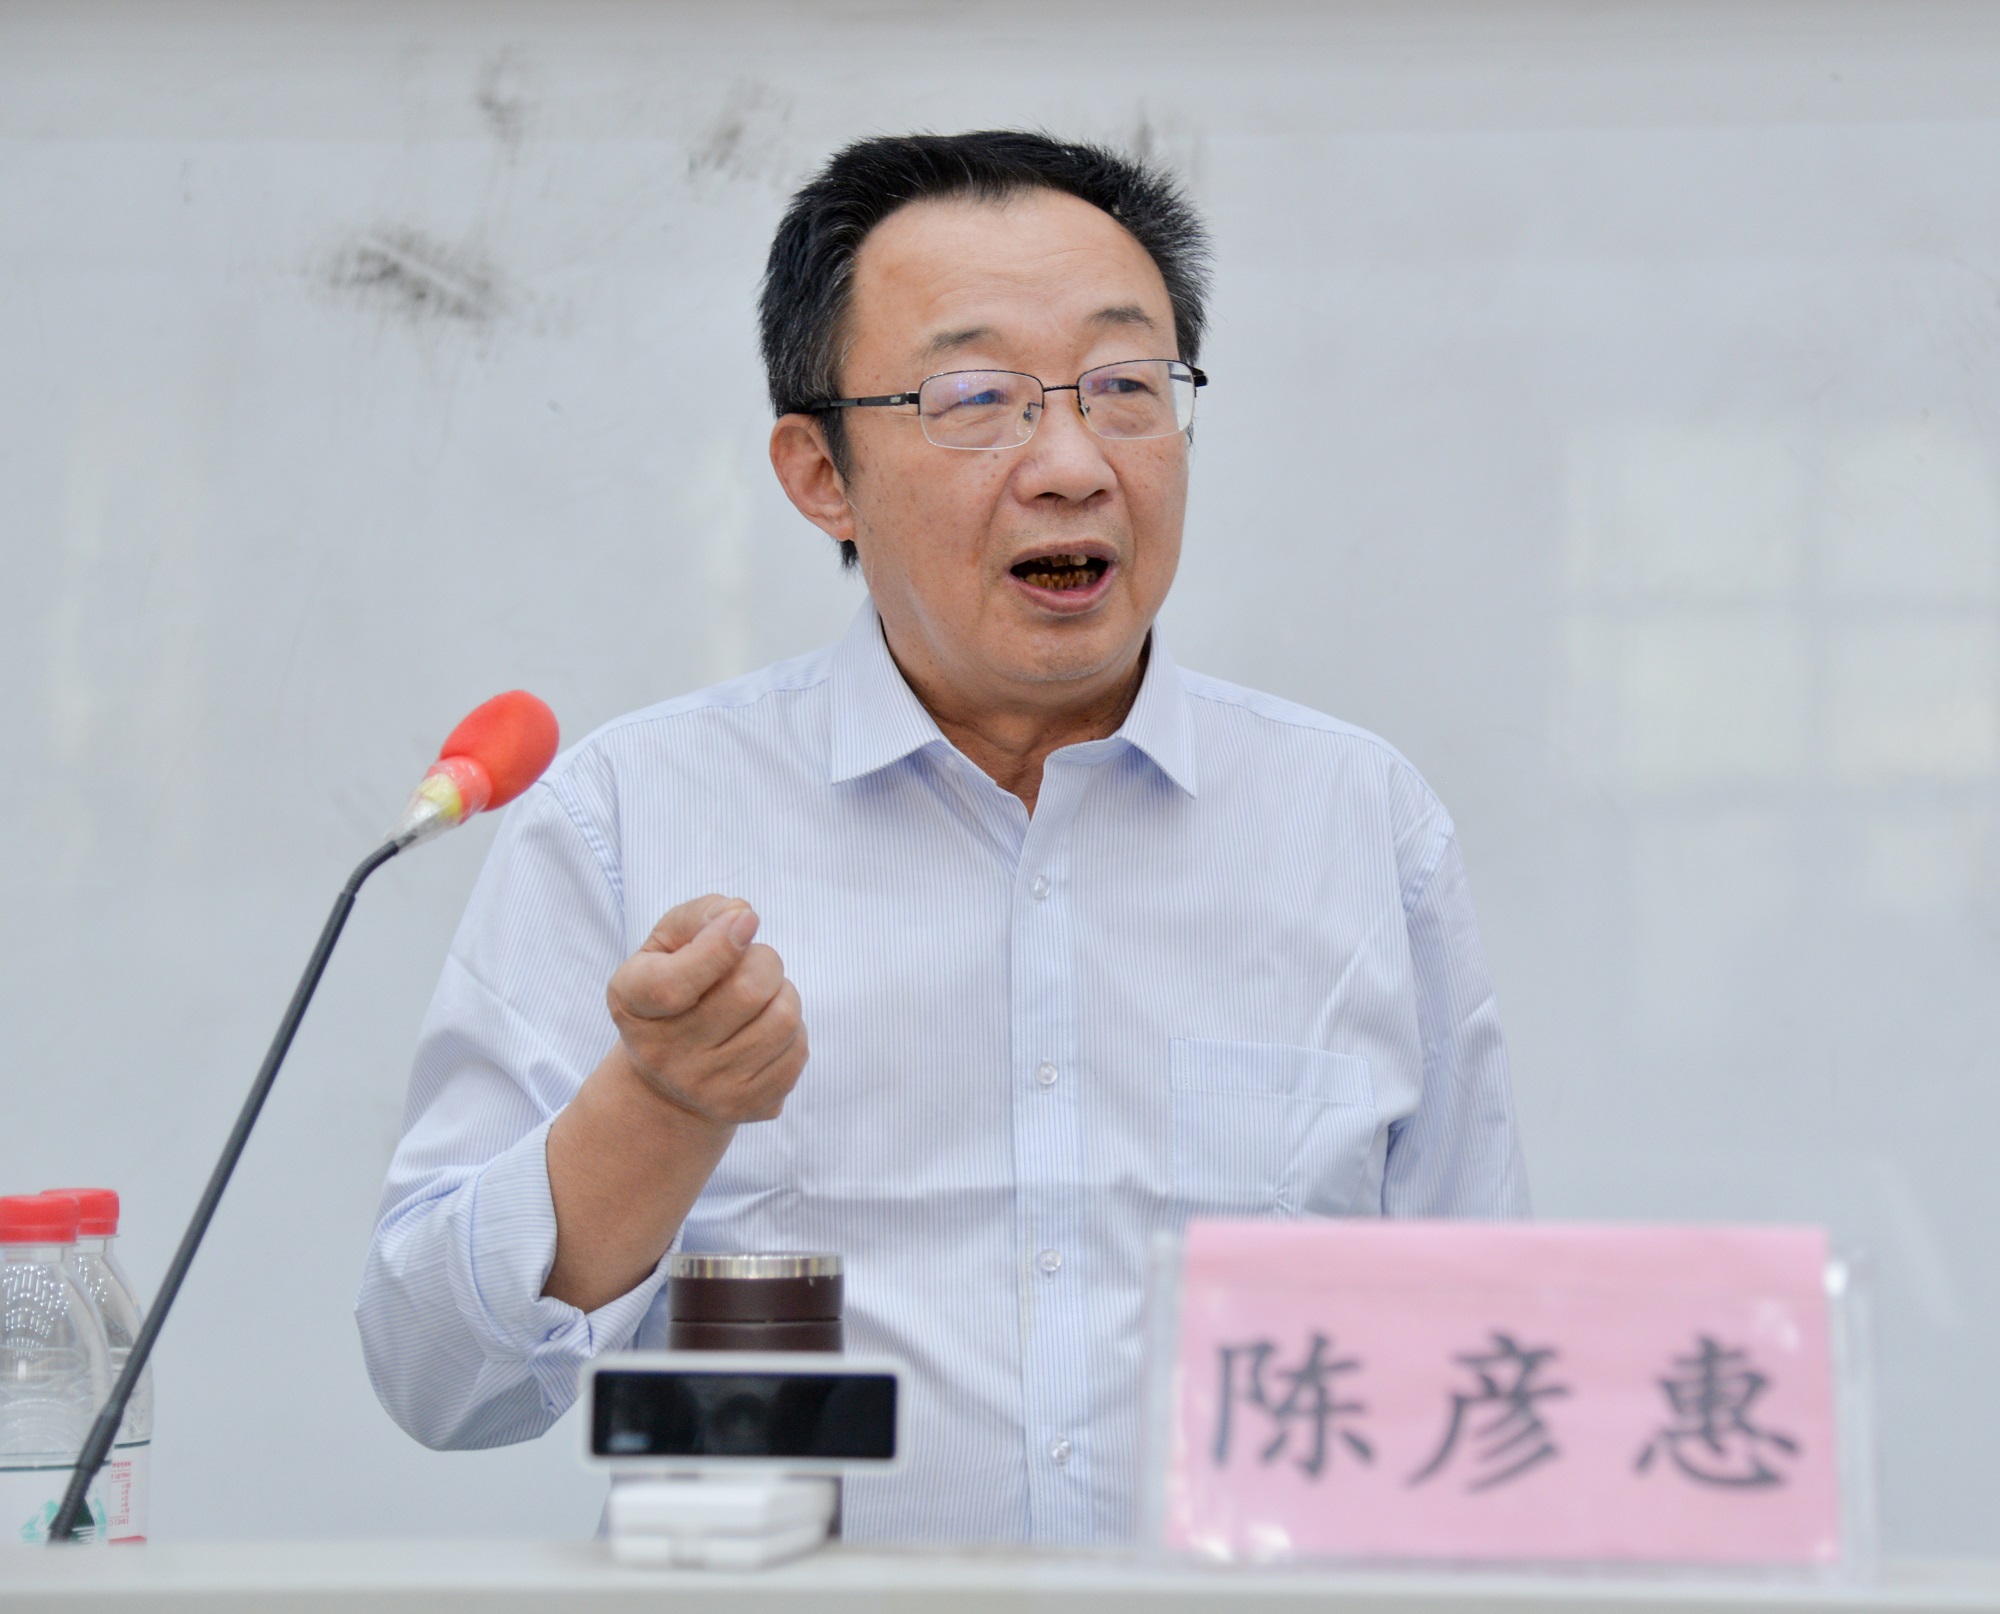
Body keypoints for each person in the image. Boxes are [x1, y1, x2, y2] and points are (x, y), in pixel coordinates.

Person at [357, 130, 1529, 1545]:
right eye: (977, 399)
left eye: (1126, 386)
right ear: (821, 472)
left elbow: (1491, 1362)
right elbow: (438, 1375)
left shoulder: (1356, 820)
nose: (1073, 464)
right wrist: (656, 1109)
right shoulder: (628, 814)